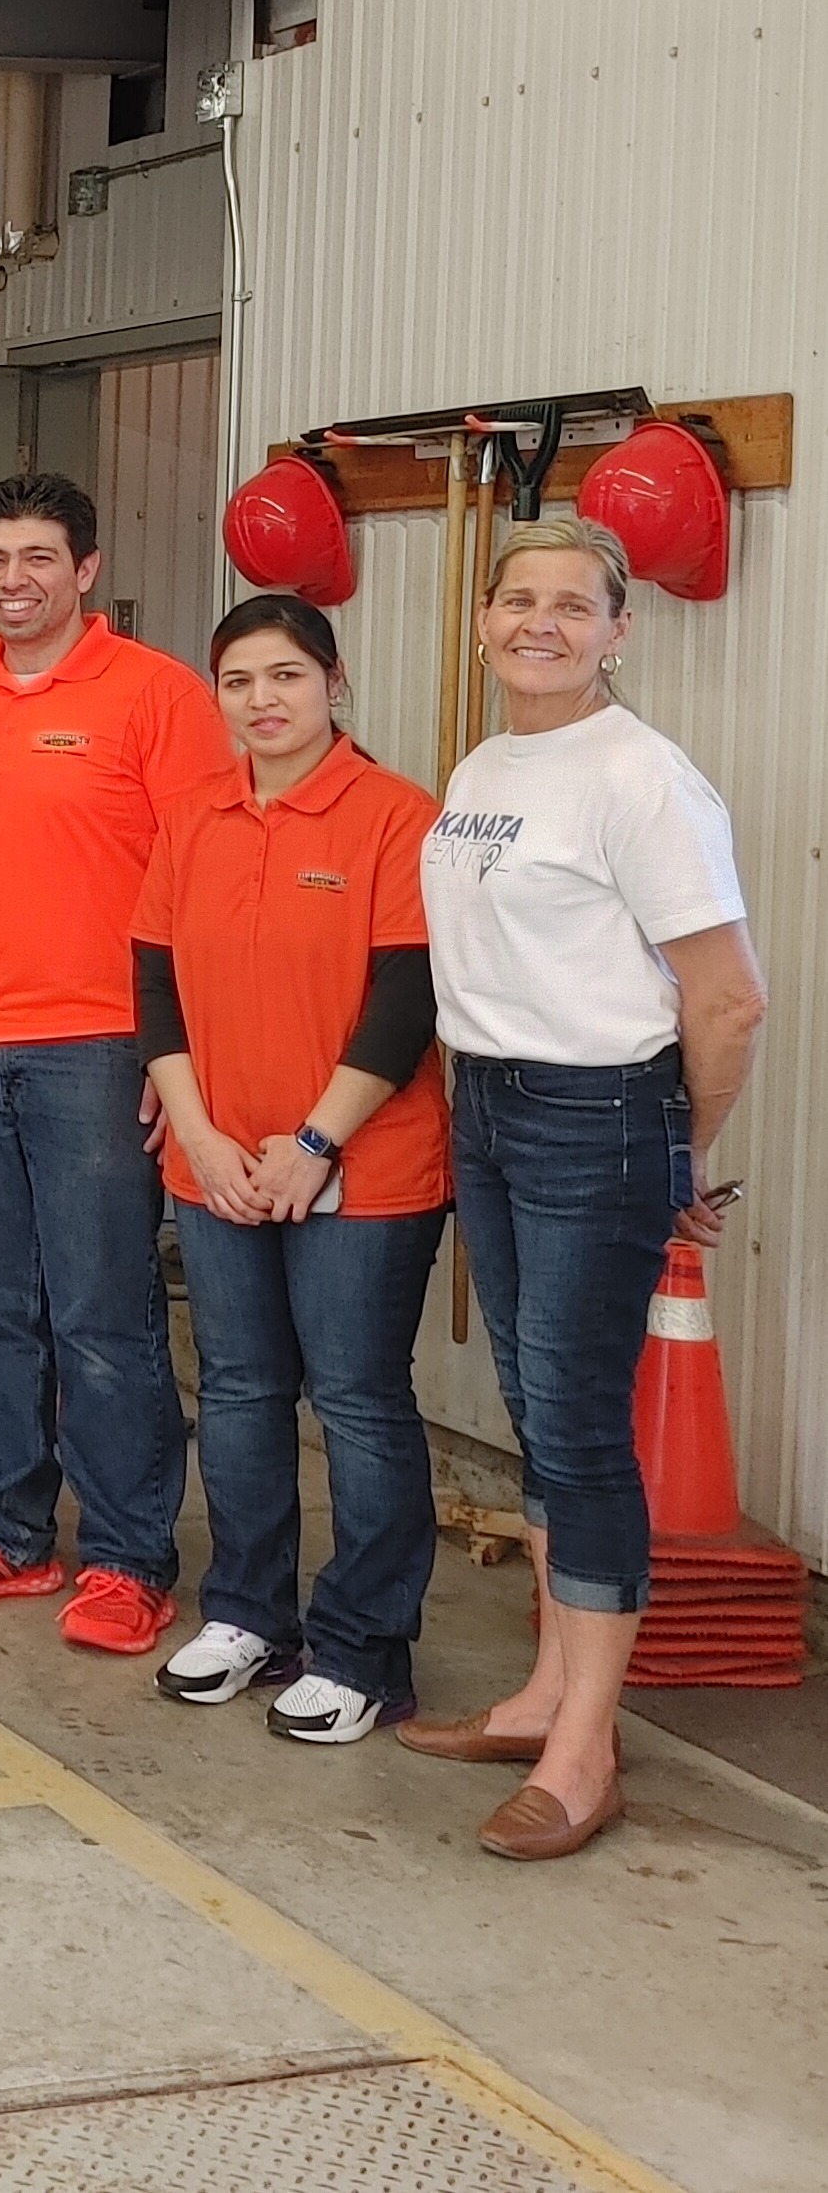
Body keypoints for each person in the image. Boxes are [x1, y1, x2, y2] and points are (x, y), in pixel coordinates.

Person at [401, 519, 763, 1860]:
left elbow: (729, 996)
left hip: (597, 1107)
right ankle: (546, 1687)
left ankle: (586, 1743)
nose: (538, 621)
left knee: (584, 1430)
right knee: (543, 1410)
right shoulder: (491, 760)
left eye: (572, 604)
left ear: (620, 629)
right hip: (489, 1096)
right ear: (485, 618)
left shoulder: (642, 778)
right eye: (517, 599)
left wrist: (676, 1144)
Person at [0, 471, 226, 1655]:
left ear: (84, 572)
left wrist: (176, 1056)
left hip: (97, 1047)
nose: (11, 580)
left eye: (37, 558)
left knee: (102, 1312)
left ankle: (128, 1556)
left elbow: (201, 886)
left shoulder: (158, 697)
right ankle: (8, 1534)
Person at [131, 596, 448, 1743]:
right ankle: (248, 1612)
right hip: (218, 1160)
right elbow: (153, 983)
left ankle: (363, 1646)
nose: (262, 700)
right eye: (237, 681)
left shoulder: (393, 815)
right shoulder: (192, 815)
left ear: (332, 682)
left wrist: (313, 1141)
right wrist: (200, 1133)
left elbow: (406, 1000)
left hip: (360, 1166)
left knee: (359, 1401)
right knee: (241, 1387)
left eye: (286, 676)